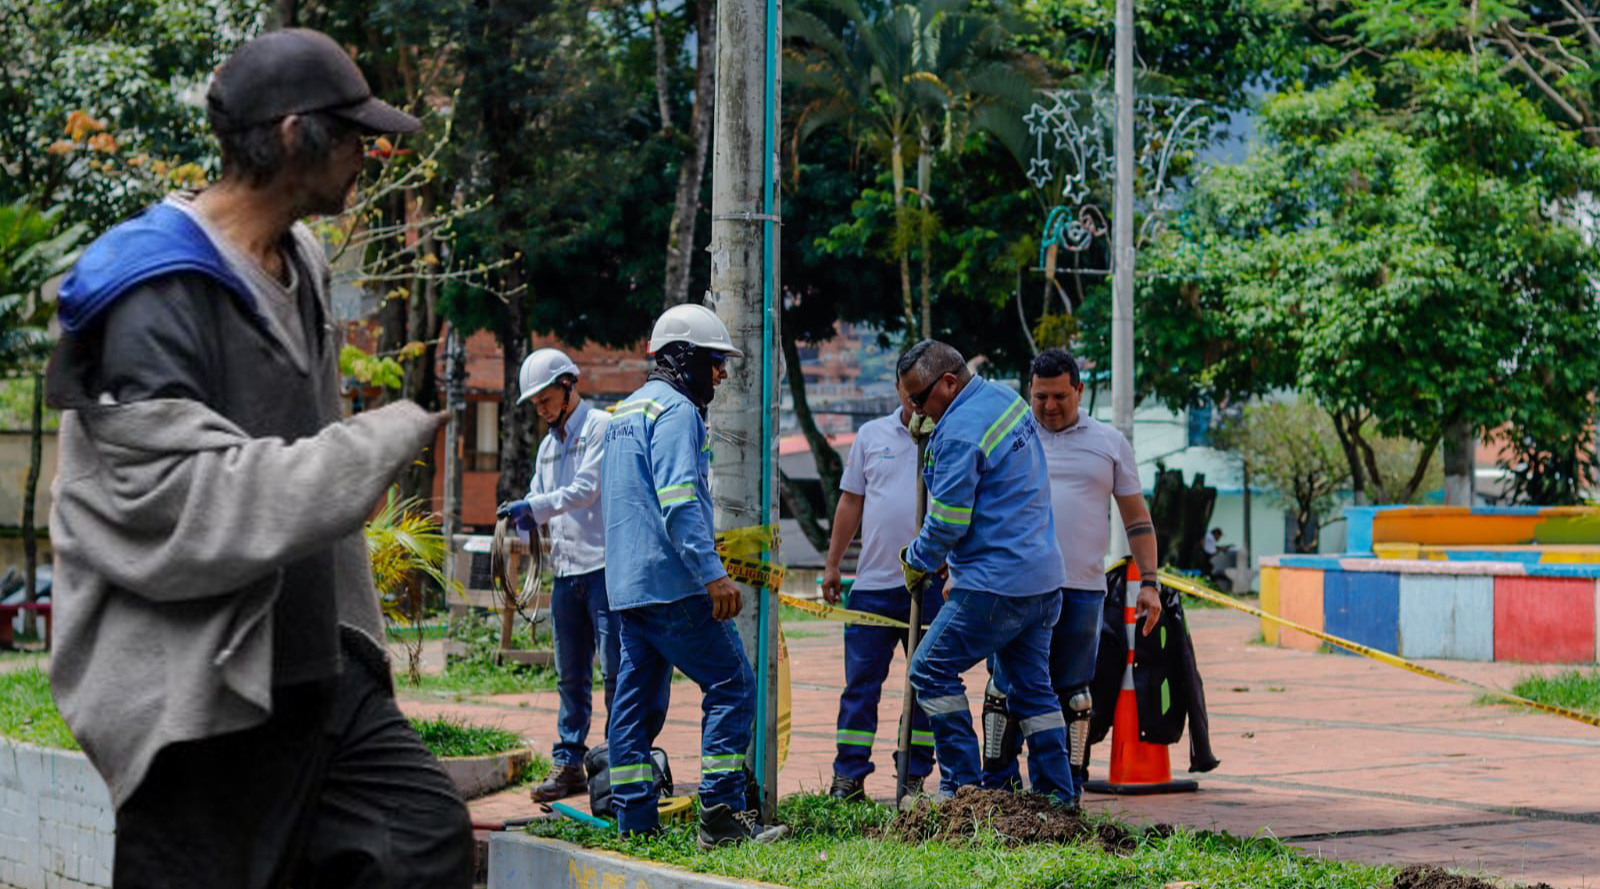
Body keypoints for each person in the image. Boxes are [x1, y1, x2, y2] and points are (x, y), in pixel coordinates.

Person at [44, 29, 472, 889]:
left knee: (421, 840)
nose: (371, 151)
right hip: (199, 697)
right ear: (290, 135)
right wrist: (381, 440)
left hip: (318, 674)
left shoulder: (301, 261)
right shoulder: (149, 289)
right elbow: (184, 498)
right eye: (353, 132)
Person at [600, 303, 787, 846]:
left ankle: (634, 822)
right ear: (682, 359)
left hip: (628, 589)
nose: (722, 374)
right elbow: (680, 502)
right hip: (675, 584)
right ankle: (722, 815)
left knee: (634, 705)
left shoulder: (622, 415)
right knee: (733, 685)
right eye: (714, 362)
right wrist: (712, 575)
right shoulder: (677, 413)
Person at [896, 340, 1076, 804]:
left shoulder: (958, 433)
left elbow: (948, 524)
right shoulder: (1006, 399)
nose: (913, 409)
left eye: (918, 399)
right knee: (1034, 690)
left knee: (931, 669)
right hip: (1042, 579)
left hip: (995, 585)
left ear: (949, 383)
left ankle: (962, 788)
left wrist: (915, 559)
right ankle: (1059, 796)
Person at [982, 348, 1162, 795]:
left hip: (1081, 589)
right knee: (1003, 691)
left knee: (1074, 696)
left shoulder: (1109, 442)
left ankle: (1064, 793)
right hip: (1014, 588)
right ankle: (996, 789)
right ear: (1029, 392)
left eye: (1060, 396)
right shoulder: (1008, 437)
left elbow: (1137, 519)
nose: (1050, 406)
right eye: (1040, 396)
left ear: (1079, 390)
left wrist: (1151, 582)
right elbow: (975, 509)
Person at [497, 348, 616, 803]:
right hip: (567, 572)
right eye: (536, 403)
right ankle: (569, 763)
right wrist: (524, 509)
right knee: (570, 674)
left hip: (603, 568)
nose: (542, 409)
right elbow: (541, 494)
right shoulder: (547, 446)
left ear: (570, 386)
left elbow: (587, 489)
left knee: (614, 672)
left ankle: (617, 760)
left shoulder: (600, 428)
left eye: (547, 399)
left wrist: (537, 506)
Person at [820, 379, 943, 802]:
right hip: (873, 585)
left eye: (922, 389)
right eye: (908, 388)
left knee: (928, 685)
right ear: (897, 387)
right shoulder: (871, 436)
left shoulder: (949, 438)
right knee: (860, 686)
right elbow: (851, 502)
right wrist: (833, 564)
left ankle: (913, 778)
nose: (914, 397)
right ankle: (848, 777)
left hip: (929, 587)